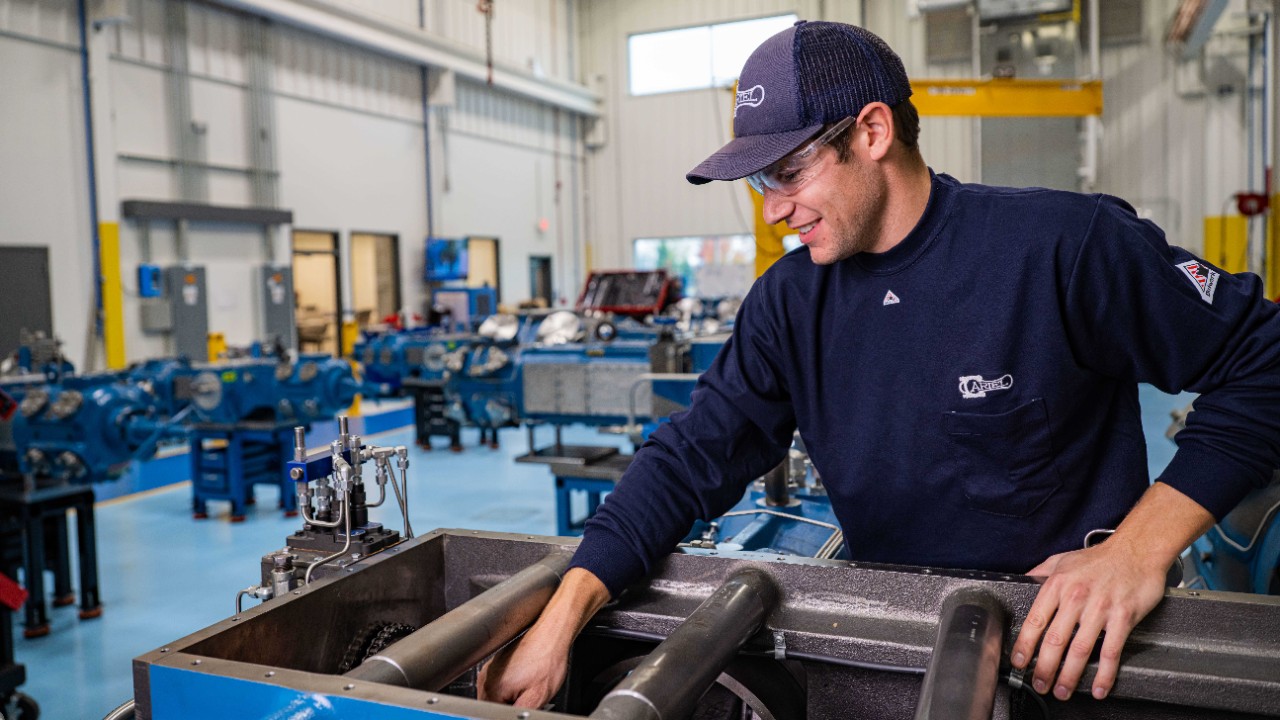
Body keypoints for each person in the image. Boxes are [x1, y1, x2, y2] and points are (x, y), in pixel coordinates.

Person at [479, 20, 1280, 707]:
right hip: (894, 657)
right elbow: (690, 458)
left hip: (1071, 660)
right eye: (761, 183)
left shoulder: (1060, 249)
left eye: (788, 173)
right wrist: (562, 616)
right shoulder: (791, 305)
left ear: (871, 133)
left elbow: (1265, 357)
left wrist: (1138, 552)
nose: (775, 209)